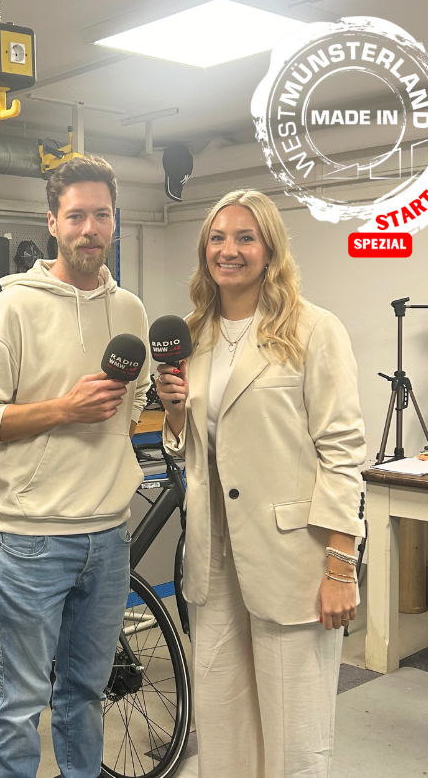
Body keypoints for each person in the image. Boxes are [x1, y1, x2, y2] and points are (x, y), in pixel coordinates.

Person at [0, 155, 150, 778]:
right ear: (53, 223)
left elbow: (135, 399)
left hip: (109, 535)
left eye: (101, 215)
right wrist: (64, 409)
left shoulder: (131, 311)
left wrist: (143, 416)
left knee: (85, 693)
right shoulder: (12, 310)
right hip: (35, 537)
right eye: (76, 216)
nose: (90, 228)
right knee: (21, 702)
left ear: (115, 221)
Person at [155, 189, 366, 778]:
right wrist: (175, 415)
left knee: (295, 735)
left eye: (245, 238)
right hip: (213, 555)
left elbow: (342, 452)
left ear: (270, 249)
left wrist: (340, 566)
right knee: (222, 726)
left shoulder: (313, 329)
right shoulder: (193, 334)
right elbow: (195, 450)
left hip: (292, 556)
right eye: (217, 238)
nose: (229, 250)